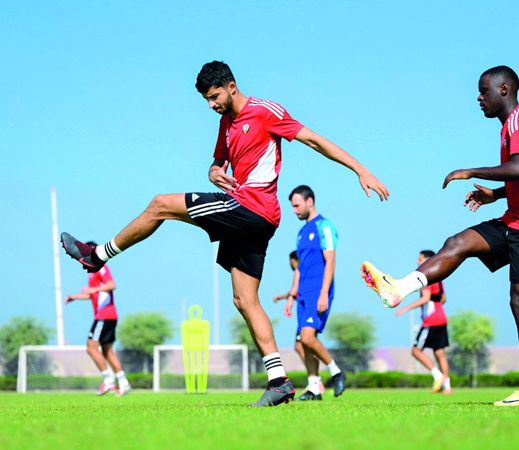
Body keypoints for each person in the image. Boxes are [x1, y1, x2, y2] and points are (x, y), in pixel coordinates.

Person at [60, 60, 389, 407]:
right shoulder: (225, 123)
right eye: (206, 99)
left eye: (214, 96)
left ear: (231, 86)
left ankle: (96, 256)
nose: (211, 104)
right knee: (245, 300)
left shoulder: (266, 112)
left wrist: (360, 170)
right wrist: (214, 172)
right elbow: (217, 164)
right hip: (250, 214)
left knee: (160, 204)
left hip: (252, 208)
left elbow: (314, 141)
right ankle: (279, 381)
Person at [362, 66, 519, 407]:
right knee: (458, 243)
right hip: (515, 219)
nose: (479, 97)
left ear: (504, 89)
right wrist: (496, 195)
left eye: (484, 91)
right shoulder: (508, 127)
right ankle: (398, 289)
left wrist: (470, 171)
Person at [281, 185, 346, 400]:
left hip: (318, 291)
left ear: (310, 202)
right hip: (303, 293)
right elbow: (299, 268)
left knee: (308, 338)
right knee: (300, 344)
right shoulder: (301, 233)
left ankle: (336, 372)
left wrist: (324, 293)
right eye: (292, 207)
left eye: (297, 205)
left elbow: (331, 261)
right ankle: (314, 387)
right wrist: (292, 296)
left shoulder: (324, 226)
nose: (294, 210)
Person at [65, 252, 131, 396]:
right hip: (110, 316)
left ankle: (108, 381)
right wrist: (74, 297)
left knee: (91, 347)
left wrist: (93, 289)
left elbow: (112, 284)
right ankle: (124, 383)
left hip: (104, 315)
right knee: (107, 351)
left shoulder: (101, 267)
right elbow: (92, 295)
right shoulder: (92, 273)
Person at [394, 250, 452, 394]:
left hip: (431, 320)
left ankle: (438, 376)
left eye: (420, 259)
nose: (417, 262)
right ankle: (447, 387)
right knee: (440, 353)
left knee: (415, 351)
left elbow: (425, 298)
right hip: (441, 318)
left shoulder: (427, 277)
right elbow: (443, 299)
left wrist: (406, 308)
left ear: (428, 261)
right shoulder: (439, 277)